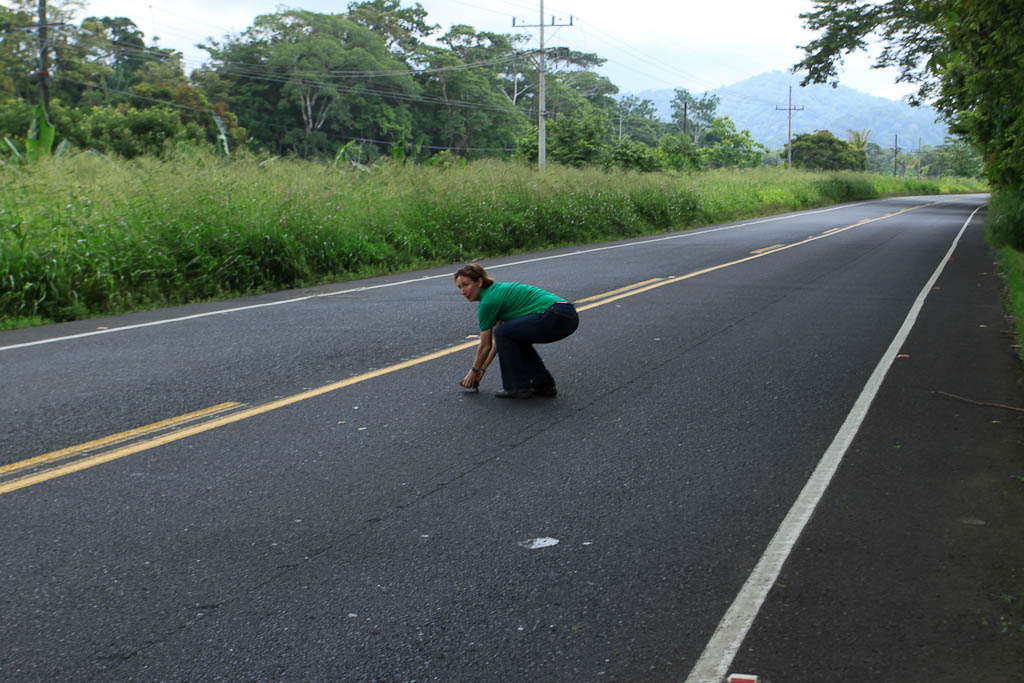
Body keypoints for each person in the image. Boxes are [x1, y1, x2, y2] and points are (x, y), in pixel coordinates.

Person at [454, 264, 579, 398]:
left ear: (479, 282)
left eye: (466, 285)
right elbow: (496, 342)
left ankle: (516, 385)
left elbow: (485, 345)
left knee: (505, 332)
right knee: (513, 336)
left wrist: (473, 372)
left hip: (555, 314)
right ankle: (543, 384)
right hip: (566, 314)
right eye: (459, 287)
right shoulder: (494, 293)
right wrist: (481, 370)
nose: (463, 291)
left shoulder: (488, 302)